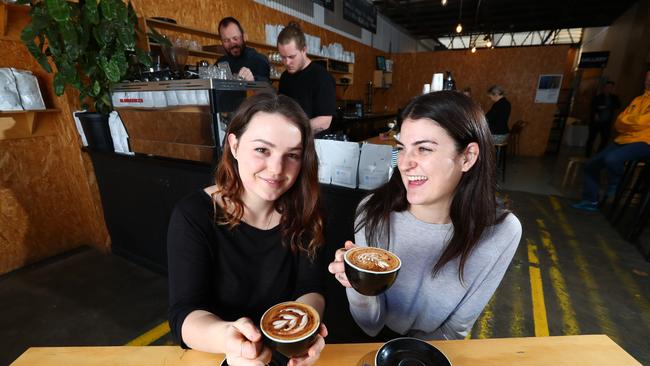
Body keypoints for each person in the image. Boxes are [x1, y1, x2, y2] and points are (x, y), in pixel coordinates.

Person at [328, 91, 522, 340]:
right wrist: (356, 284)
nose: (405, 163)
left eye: (424, 149)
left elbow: (454, 331)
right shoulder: (373, 212)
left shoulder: (500, 232)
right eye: (402, 148)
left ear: (468, 157)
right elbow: (371, 325)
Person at [167, 93, 327, 366]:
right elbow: (185, 313)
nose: (277, 169)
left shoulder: (306, 211)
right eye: (262, 150)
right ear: (234, 145)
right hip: (217, 354)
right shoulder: (193, 215)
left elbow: (311, 288)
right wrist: (230, 339)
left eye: (292, 155)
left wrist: (303, 331)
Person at [572, 70, 650, 212]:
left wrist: (629, 122)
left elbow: (639, 122)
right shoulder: (638, 100)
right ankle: (590, 201)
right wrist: (630, 122)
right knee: (591, 165)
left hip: (645, 142)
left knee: (612, 159)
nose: (648, 79)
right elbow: (619, 122)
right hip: (623, 139)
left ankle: (616, 181)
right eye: (648, 76)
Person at [277, 21, 336, 136]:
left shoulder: (321, 77)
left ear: (304, 50)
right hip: (291, 143)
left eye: (291, 57)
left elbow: (325, 121)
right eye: (283, 57)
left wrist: (295, 130)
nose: (287, 62)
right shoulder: (285, 77)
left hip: (315, 145)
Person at [217, 17, 270, 82]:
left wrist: (253, 80)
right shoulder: (220, 62)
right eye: (226, 40)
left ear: (244, 37)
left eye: (235, 38)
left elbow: (266, 86)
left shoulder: (259, 60)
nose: (232, 44)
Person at [585, 81, 621, 157]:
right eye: (607, 87)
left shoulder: (614, 98)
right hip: (596, 122)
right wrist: (596, 114)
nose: (608, 89)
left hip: (606, 122)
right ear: (604, 88)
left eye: (610, 87)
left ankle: (599, 154)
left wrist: (606, 107)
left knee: (605, 139)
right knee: (591, 138)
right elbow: (593, 107)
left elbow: (618, 105)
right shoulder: (598, 97)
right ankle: (587, 155)